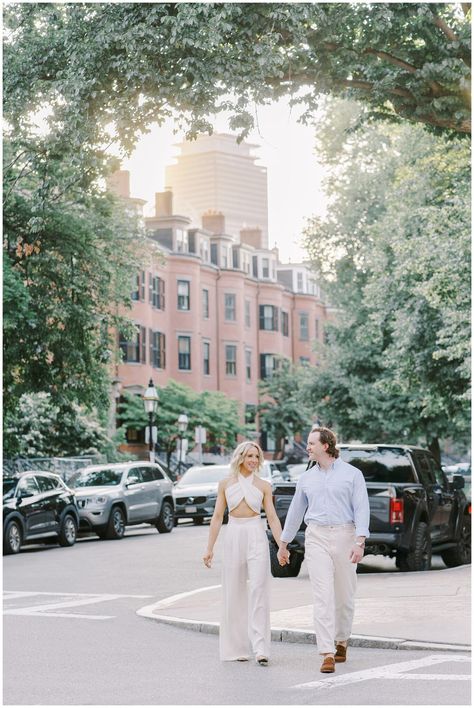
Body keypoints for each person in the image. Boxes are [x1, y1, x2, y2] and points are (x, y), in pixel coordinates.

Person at [278, 427, 370, 674]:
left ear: (325, 446)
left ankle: (342, 640)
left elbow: (362, 508)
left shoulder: (352, 475)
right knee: (322, 595)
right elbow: (296, 511)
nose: (307, 447)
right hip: (316, 535)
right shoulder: (307, 478)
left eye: (311, 443)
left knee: (345, 594)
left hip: (345, 535)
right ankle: (327, 652)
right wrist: (283, 544)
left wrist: (359, 542)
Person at [203, 441, 284, 665]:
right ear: (240, 457)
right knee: (234, 590)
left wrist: (281, 546)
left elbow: (273, 518)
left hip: (255, 533)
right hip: (234, 533)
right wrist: (209, 548)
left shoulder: (264, 485)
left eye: (256, 457)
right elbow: (218, 517)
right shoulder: (225, 484)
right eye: (249, 456)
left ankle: (261, 648)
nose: (253, 460)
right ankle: (237, 648)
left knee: (259, 587)